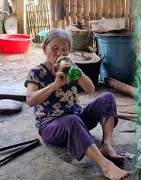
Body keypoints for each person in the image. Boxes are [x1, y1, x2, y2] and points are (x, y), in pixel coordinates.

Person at [24, 28, 131, 180]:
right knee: (72, 120)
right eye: (54, 49)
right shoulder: (36, 72)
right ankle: (106, 166)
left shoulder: (70, 67)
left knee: (107, 97)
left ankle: (106, 145)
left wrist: (78, 73)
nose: (59, 54)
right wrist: (55, 85)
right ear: (44, 49)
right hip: (50, 126)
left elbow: (90, 89)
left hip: (77, 119)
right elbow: (30, 100)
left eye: (64, 50)